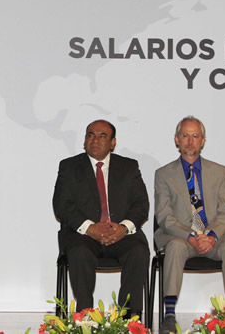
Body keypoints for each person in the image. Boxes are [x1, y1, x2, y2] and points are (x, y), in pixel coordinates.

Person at [154, 116, 225, 334]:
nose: (190, 141)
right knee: (174, 246)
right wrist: (191, 236)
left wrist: (211, 235)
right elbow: (164, 217)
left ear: (203, 141)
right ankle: (169, 315)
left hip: (214, 238)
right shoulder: (163, 174)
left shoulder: (219, 171)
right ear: (177, 140)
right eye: (185, 135)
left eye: (195, 136)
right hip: (181, 238)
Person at [53, 119, 150, 318]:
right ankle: (85, 316)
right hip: (83, 236)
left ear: (113, 143)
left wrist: (124, 227)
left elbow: (141, 204)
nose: (95, 140)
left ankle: (128, 317)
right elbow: (61, 205)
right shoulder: (69, 167)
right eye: (90, 135)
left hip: (121, 235)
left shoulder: (128, 167)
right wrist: (89, 228)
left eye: (102, 136)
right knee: (79, 251)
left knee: (139, 251)